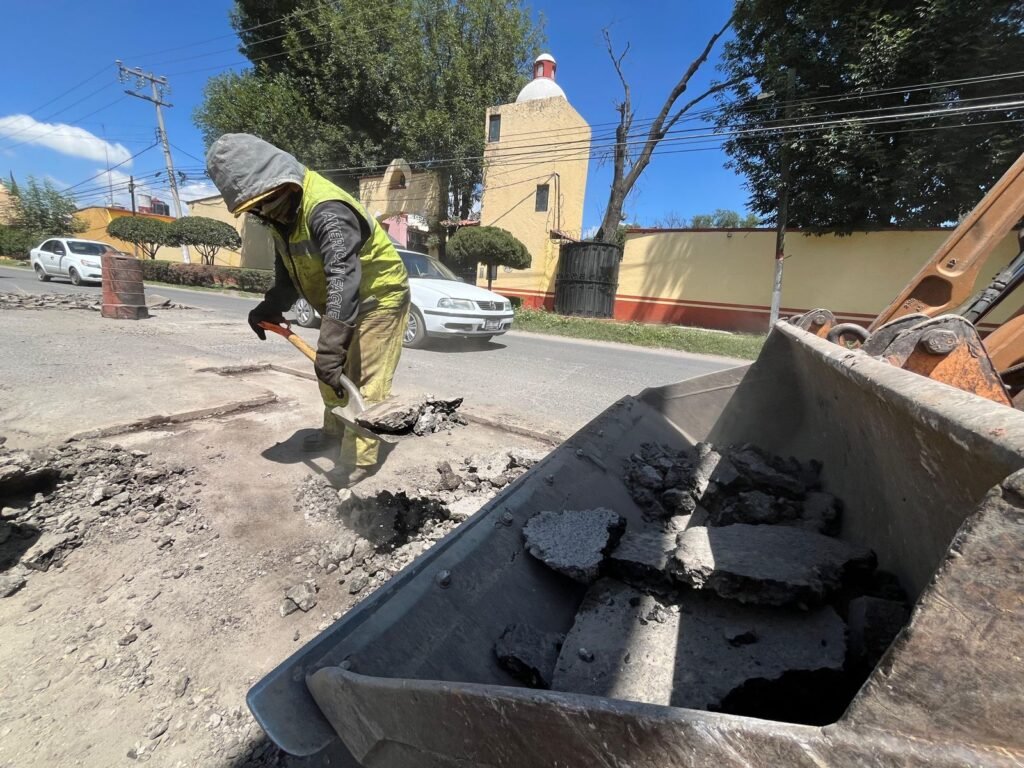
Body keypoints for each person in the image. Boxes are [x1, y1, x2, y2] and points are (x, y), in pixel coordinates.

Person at [205, 133, 410, 487]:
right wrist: (270, 306)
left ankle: (358, 460)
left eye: (267, 203)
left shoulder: (327, 210)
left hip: (379, 298)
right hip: (341, 302)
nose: (264, 213)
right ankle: (334, 435)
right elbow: (288, 276)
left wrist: (331, 349)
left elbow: (342, 278)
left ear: (284, 184)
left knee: (364, 380)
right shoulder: (280, 219)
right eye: (256, 208)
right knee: (329, 373)